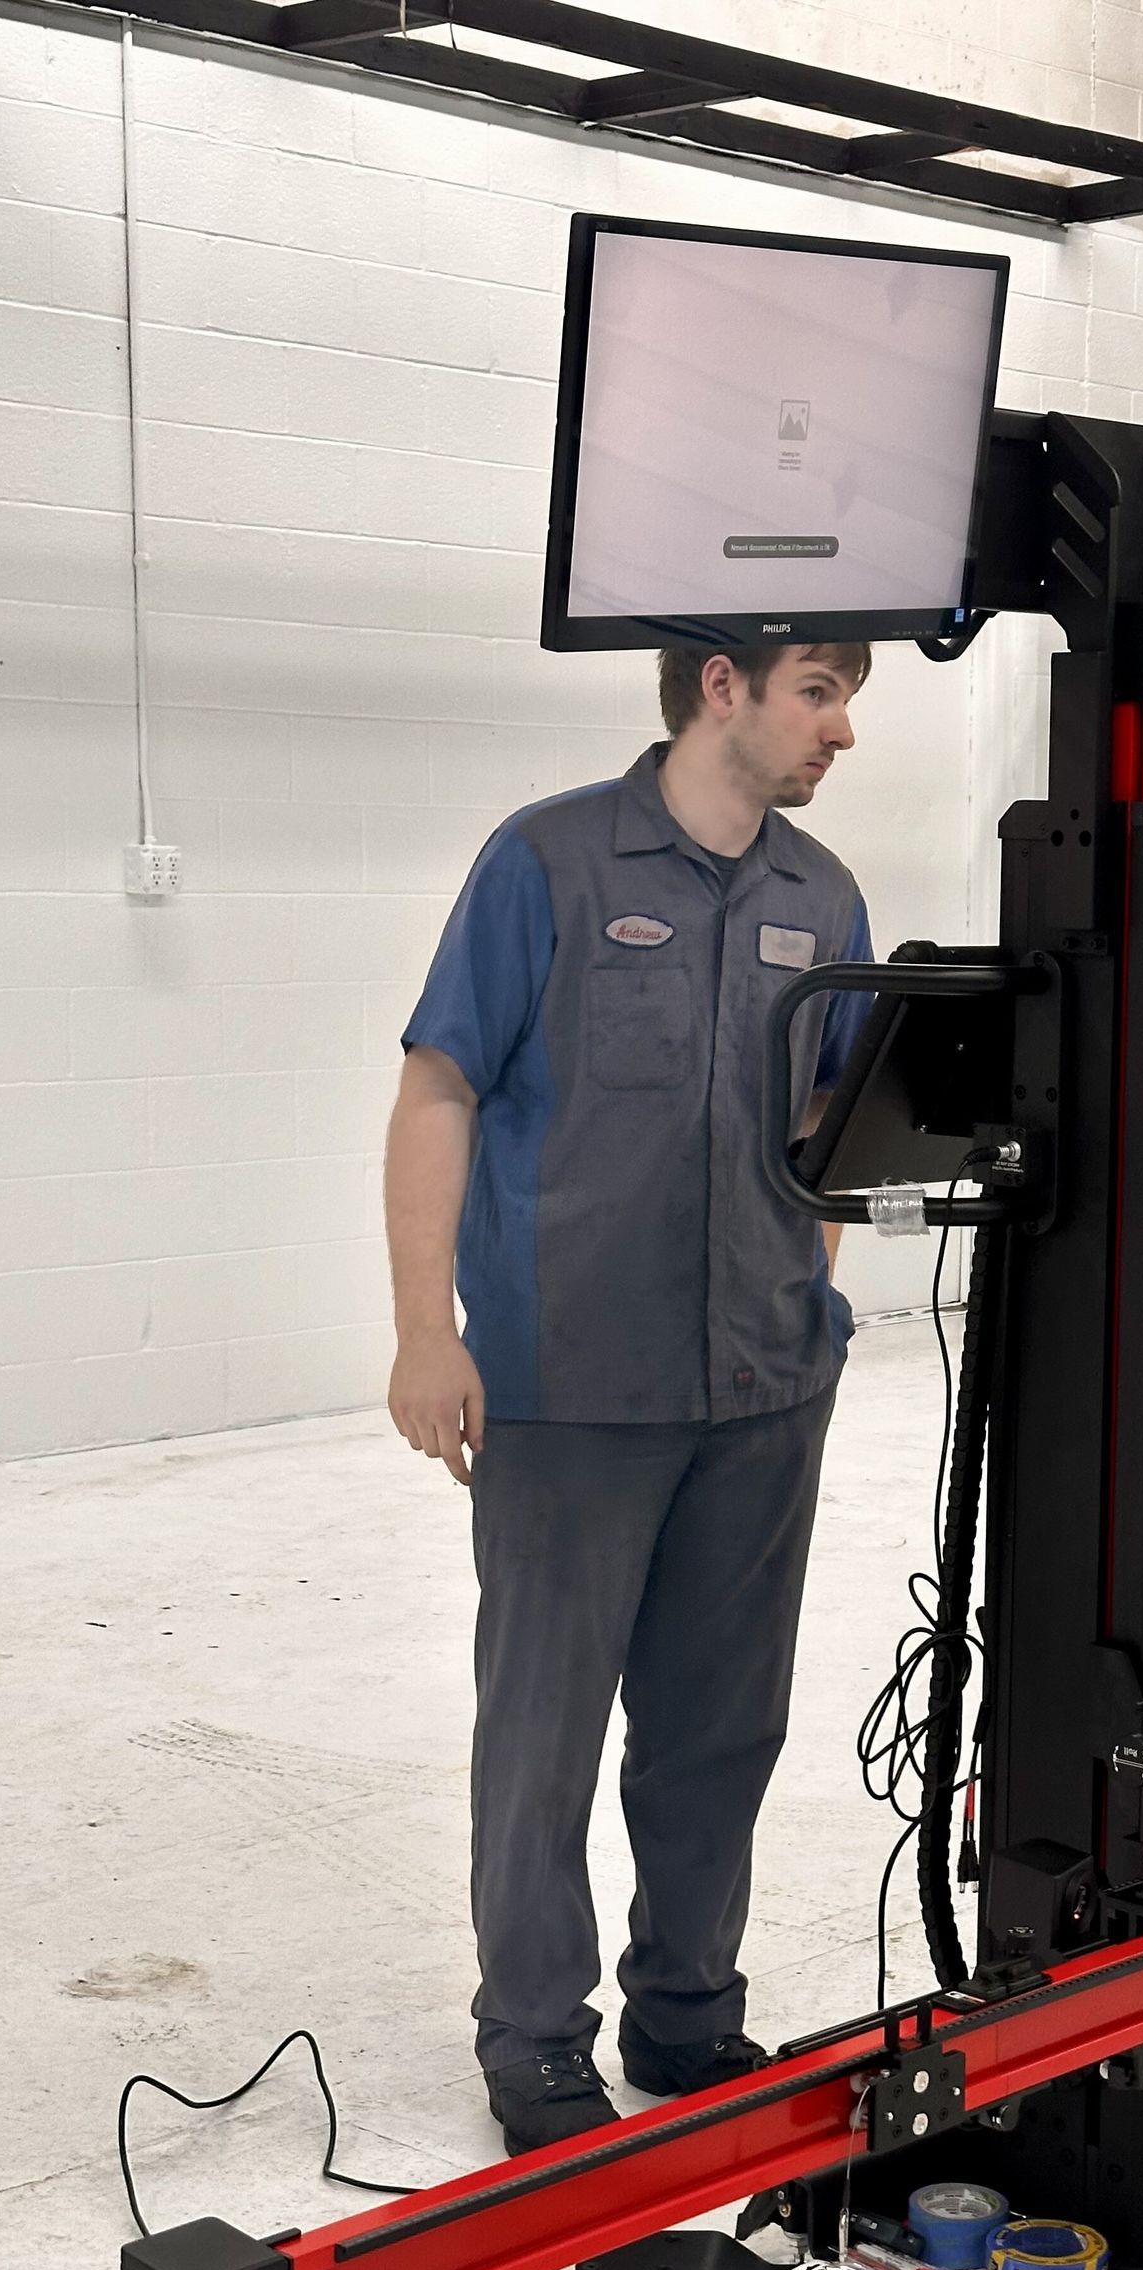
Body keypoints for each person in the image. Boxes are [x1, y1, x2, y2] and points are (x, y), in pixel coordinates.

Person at [384, 640, 874, 2155]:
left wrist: (804, 1284)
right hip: (569, 1382)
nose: (842, 731)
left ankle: (684, 2013)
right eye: (818, 692)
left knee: (722, 1725)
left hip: (762, 1383)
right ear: (720, 688)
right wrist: (425, 1334)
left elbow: (828, 1128)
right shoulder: (547, 864)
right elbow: (439, 1090)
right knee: (545, 1728)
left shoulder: (824, 897)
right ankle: (534, 2039)